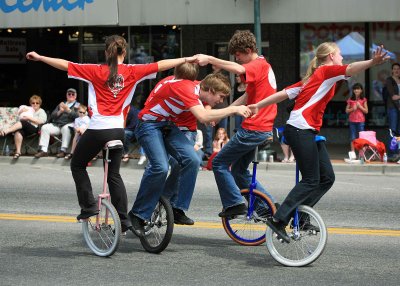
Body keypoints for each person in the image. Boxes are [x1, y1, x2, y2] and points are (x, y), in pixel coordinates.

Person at [26, 34, 199, 233]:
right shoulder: (133, 71)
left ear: (106, 52)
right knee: (114, 175)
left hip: (98, 130)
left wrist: (40, 57)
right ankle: (125, 220)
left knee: (77, 165)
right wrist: (186, 59)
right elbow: (161, 65)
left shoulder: (95, 70)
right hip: (118, 131)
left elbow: (65, 64)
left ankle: (89, 206)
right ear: (124, 52)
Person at [248, 43, 389, 242]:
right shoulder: (325, 71)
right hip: (299, 129)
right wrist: (373, 62)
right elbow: (350, 68)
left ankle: (303, 216)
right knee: (310, 180)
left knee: (327, 178)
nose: (342, 58)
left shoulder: (311, 79)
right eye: (340, 54)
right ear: (331, 56)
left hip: (308, 131)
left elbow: (283, 94)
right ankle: (278, 219)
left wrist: (258, 105)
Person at [129, 63, 251, 235]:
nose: (221, 101)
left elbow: (205, 107)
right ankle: (137, 214)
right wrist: (234, 109)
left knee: (193, 160)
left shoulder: (199, 87)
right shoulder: (185, 87)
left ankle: (177, 208)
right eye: (221, 97)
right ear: (209, 90)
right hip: (148, 125)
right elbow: (202, 115)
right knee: (160, 167)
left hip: (168, 125)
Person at [196, 30, 278, 218]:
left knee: (218, 163)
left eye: (239, 55)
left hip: (254, 128)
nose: (238, 59)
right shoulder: (263, 66)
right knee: (239, 171)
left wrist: (210, 59)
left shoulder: (257, 65)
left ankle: (234, 204)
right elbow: (247, 96)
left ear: (249, 50)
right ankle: (270, 208)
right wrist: (223, 113)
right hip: (261, 128)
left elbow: (239, 70)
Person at [34, 88, 80, 158]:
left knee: (66, 128)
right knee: (45, 127)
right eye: (69, 94)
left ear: (75, 96)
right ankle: (44, 150)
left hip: (68, 124)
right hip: (57, 125)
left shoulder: (77, 105)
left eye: (73, 94)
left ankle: (63, 150)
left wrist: (68, 110)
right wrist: (60, 111)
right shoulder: (61, 103)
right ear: (66, 95)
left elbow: (78, 116)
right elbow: (52, 115)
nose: (71, 95)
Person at [0, 95, 47, 159]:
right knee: (18, 132)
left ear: (40, 104)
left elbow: (42, 121)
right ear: (30, 103)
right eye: (33, 103)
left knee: (24, 122)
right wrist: (21, 112)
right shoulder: (28, 109)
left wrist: (29, 118)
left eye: (37, 103)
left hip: (34, 129)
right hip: (24, 128)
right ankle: (18, 152)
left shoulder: (41, 111)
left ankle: (6, 131)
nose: (35, 104)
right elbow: (18, 119)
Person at [345, 83, 368, 152]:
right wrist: (353, 109)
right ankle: (353, 152)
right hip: (352, 121)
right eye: (355, 89)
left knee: (361, 137)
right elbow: (346, 111)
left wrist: (360, 107)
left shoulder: (363, 99)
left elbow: (366, 111)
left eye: (358, 89)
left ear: (361, 90)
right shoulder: (350, 99)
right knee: (352, 137)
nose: (356, 90)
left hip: (361, 121)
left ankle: (361, 153)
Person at [384, 63, 400, 135]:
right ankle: (392, 146)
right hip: (392, 107)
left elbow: (397, 96)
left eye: (398, 69)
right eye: (395, 69)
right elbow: (393, 96)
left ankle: (398, 146)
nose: (396, 70)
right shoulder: (389, 80)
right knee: (393, 129)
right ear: (392, 70)